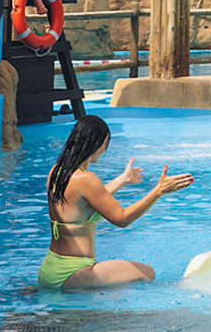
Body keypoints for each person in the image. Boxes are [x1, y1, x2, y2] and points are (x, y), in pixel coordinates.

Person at [38, 115, 194, 291]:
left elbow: (89, 199)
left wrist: (123, 179)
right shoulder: (87, 179)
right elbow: (122, 219)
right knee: (146, 273)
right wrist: (158, 191)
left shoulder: (58, 171)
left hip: (50, 268)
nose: (105, 149)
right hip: (73, 273)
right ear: (95, 143)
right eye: (105, 143)